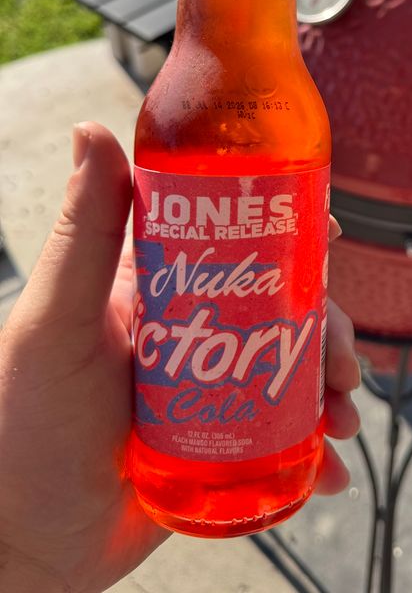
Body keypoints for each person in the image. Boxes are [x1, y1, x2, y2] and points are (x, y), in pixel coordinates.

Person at [0, 122, 361, 593]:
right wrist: (19, 544)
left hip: (273, 475)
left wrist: (24, 554)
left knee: (294, 278)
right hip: (143, 486)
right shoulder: (178, 108)